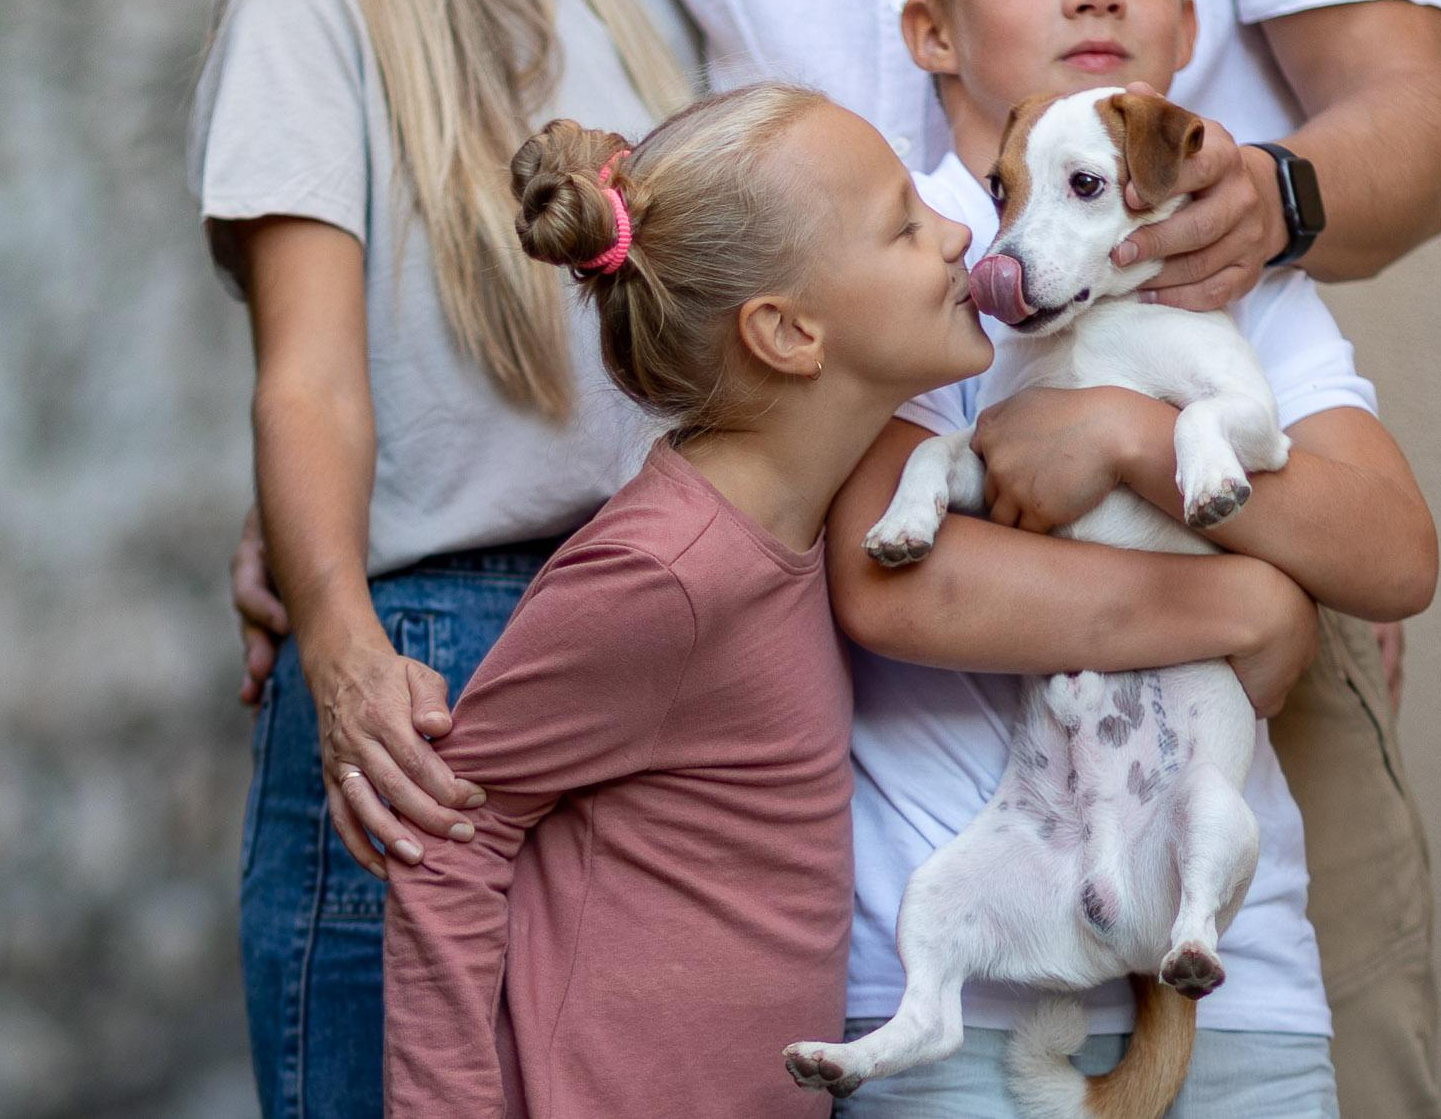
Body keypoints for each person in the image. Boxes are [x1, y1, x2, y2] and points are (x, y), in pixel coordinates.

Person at [587, 0, 1441, 1112]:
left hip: (1242, 973)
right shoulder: (903, 255)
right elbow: (897, 582)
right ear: (928, 31)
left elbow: (1395, 551)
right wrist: (1247, 597)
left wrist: (1123, 435)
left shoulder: (1237, 273)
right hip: (955, 961)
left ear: (1188, 23)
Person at [188, 0, 695, 1111]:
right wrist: (344, 644)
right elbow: (306, 382)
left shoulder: (630, 3)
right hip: (437, 677)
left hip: (656, 651)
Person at [384, 90, 993, 1116]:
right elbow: (453, 833)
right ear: (790, 332)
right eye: (904, 224)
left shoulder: (796, 523)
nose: (957, 233)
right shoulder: (666, 570)